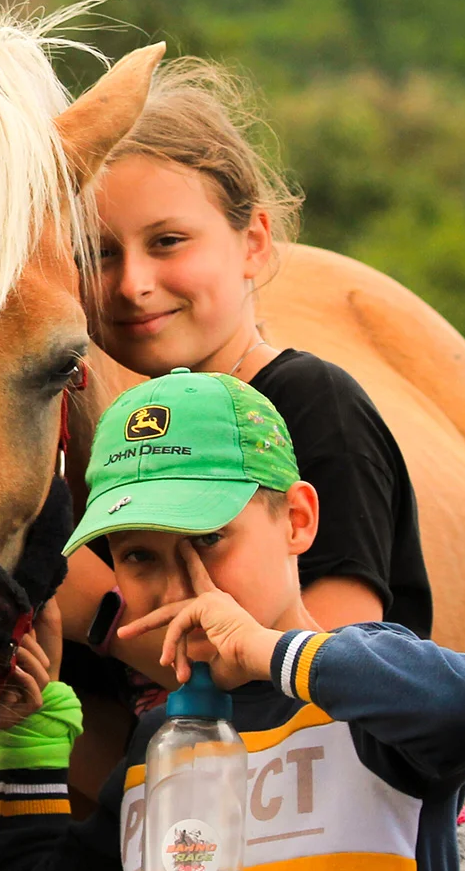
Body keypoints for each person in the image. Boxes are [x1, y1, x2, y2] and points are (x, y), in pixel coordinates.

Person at [0, 369, 465, 871]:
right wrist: (28, 751)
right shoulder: (156, 747)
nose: (178, 584)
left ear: (298, 522)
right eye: (138, 556)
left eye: (207, 539)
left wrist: (269, 649)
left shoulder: (366, 701)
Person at [61, 59, 431, 680]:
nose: (133, 284)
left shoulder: (313, 404)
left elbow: (334, 675)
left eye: (168, 241)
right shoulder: (129, 435)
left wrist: (90, 609)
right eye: (96, 253)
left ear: (254, 243)